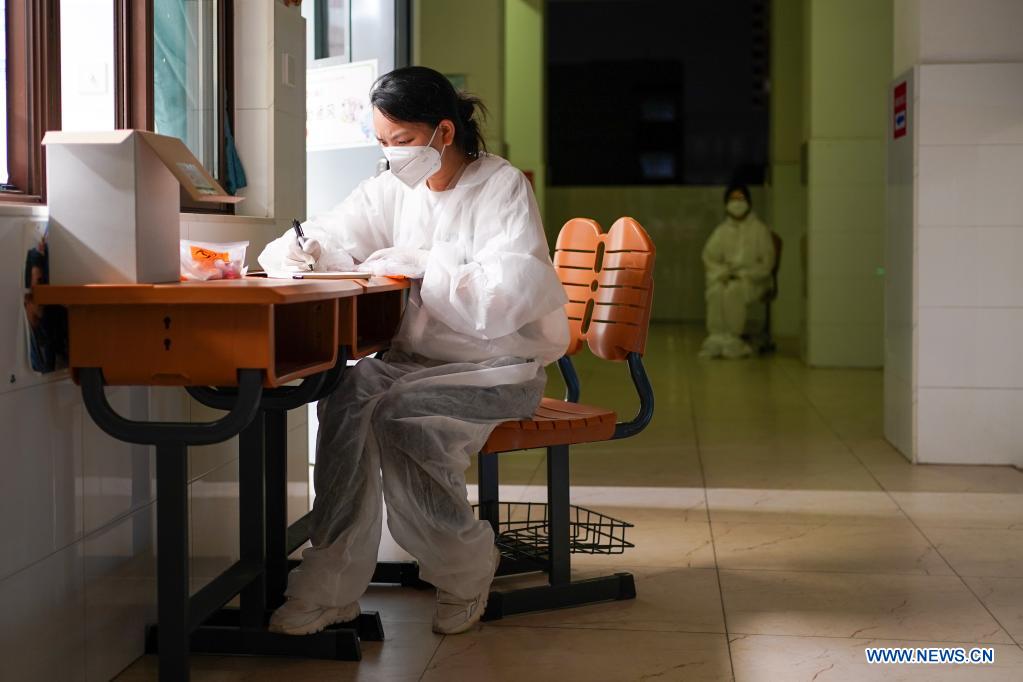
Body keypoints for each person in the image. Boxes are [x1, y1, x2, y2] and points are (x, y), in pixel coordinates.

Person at [257, 66, 570, 636]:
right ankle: (331, 584)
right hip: (414, 362)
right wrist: (304, 250)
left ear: (443, 133)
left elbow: (506, 298)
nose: (392, 155)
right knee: (346, 395)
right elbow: (332, 230)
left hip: (497, 366)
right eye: (382, 142)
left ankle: (465, 568)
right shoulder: (392, 188)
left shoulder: (500, 187)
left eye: (401, 141)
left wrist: (426, 264)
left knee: (404, 417)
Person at [700, 184, 775, 359]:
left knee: (733, 292)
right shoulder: (722, 231)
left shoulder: (759, 229)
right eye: (733, 199)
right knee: (716, 291)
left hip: (752, 280)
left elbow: (767, 263)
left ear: (748, 202)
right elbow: (709, 257)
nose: (737, 203)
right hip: (725, 277)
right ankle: (717, 338)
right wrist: (722, 273)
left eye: (740, 199)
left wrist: (744, 275)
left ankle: (733, 339)